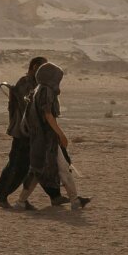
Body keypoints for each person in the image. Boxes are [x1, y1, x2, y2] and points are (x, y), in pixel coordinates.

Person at [0, 56, 65, 208]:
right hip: (23, 134)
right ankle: (0, 197)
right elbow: (32, 109)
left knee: (40, 164)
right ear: (34, 67)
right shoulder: (25, 83)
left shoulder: (39, 85)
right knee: (18, 166)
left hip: (34, 133)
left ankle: (55, 196)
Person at [20, 61, 89, 210]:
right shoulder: (46, 91)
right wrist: (61, 135)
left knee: (38, 170)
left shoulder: (38, 90)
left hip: (40, 139)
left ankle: (21, 202)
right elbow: (48, 115)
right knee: (59, 168)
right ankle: (75, 201)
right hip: (46, 140)